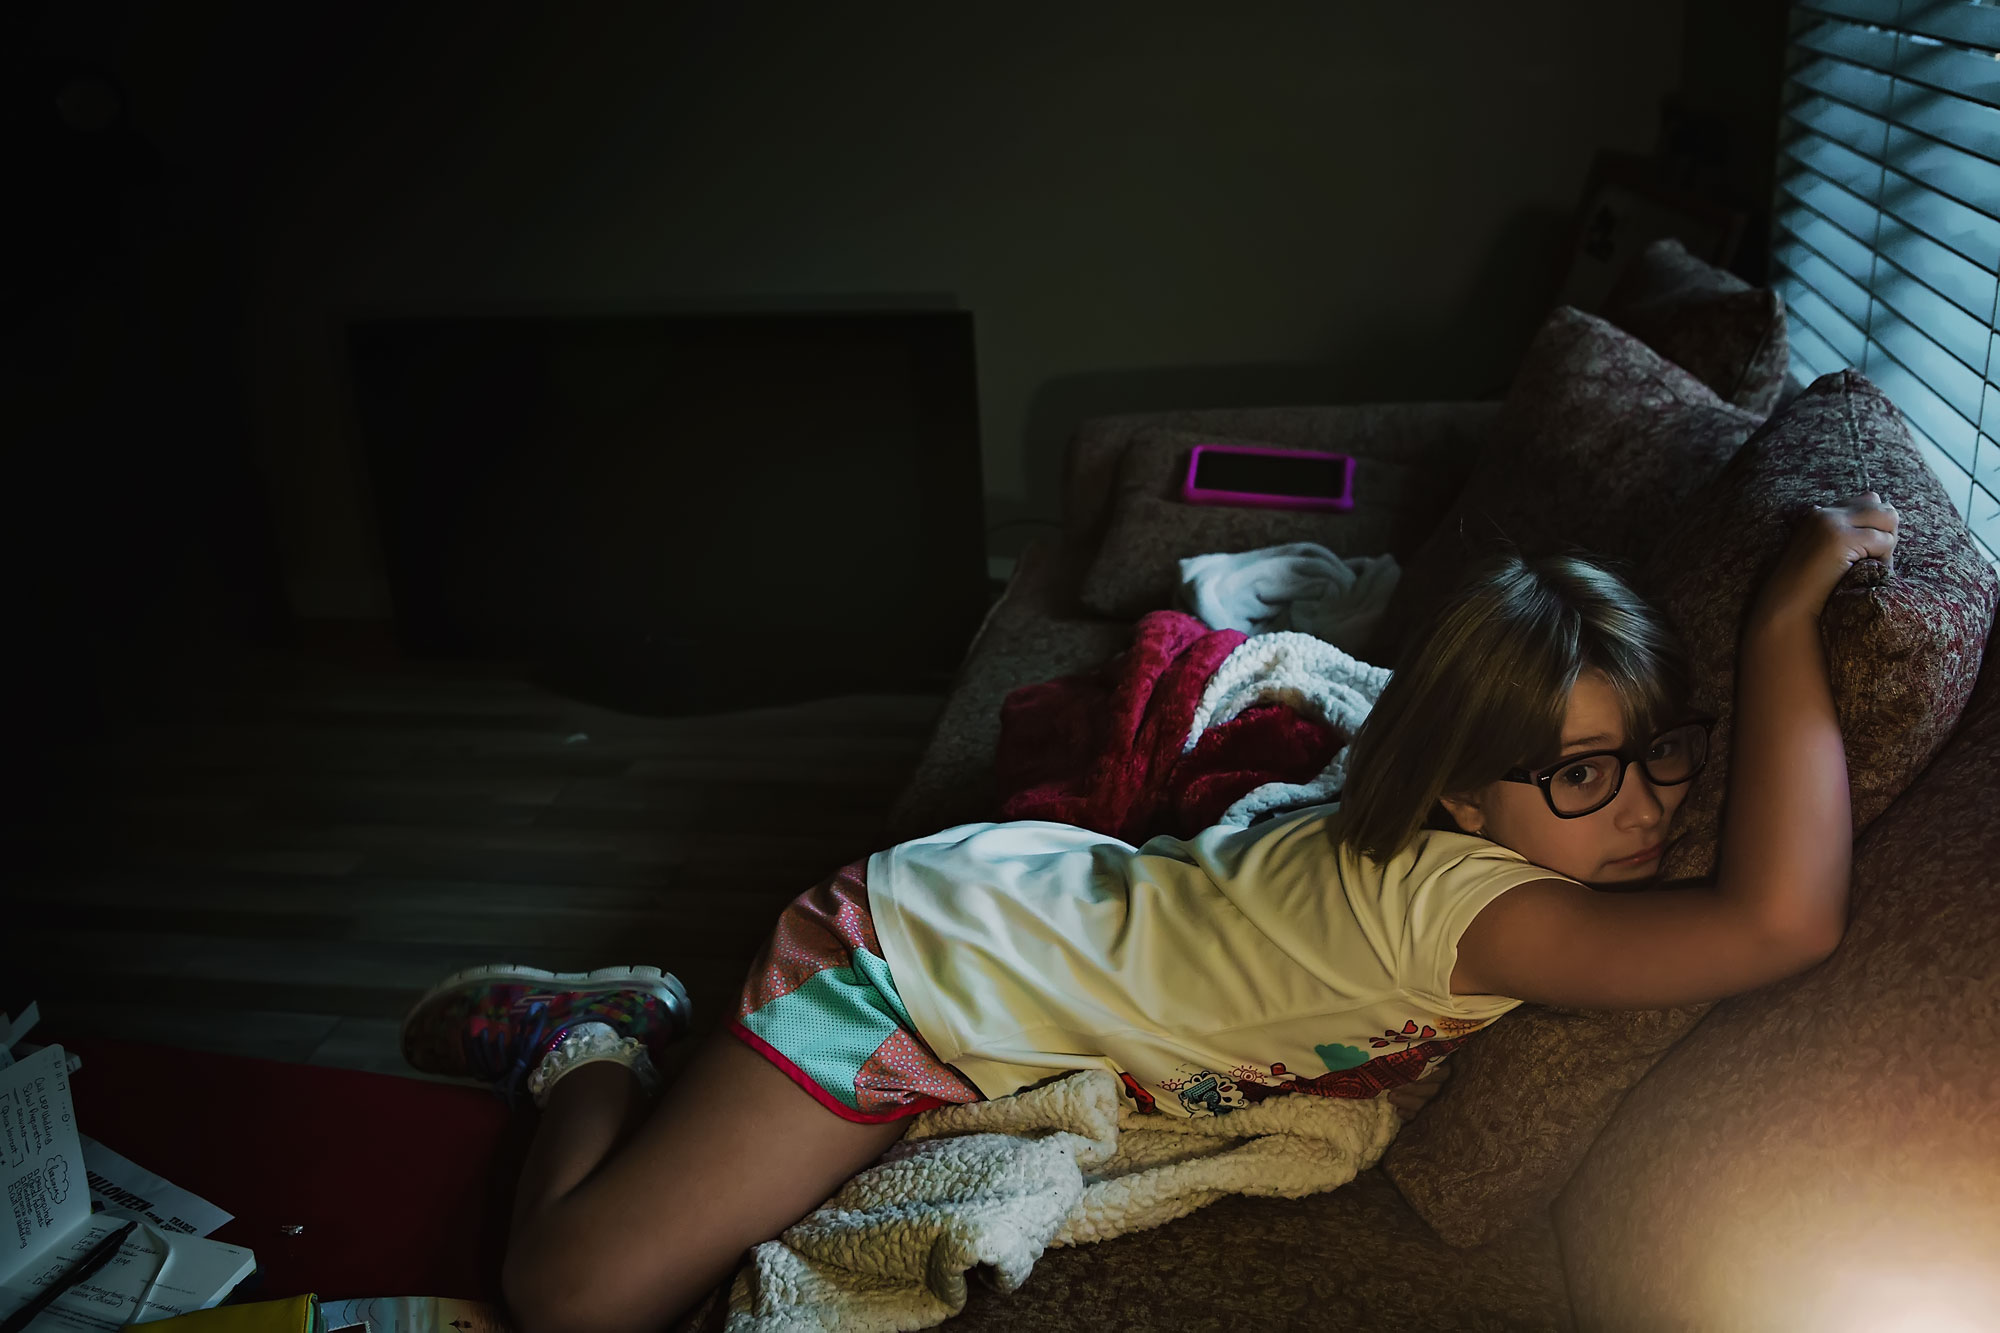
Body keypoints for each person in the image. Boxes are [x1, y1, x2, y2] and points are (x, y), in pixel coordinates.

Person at [401, 493, 1898, 1333]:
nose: (1643, 808)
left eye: (1660, 756)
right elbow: (1783, 920)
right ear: (1454, 791)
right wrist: (1784, 617)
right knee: (571, 1297)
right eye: (1581, 772)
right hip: (910, 970)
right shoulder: (1485, 907)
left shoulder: (1462, 827)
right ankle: (604, 1031)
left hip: (1008, 922)